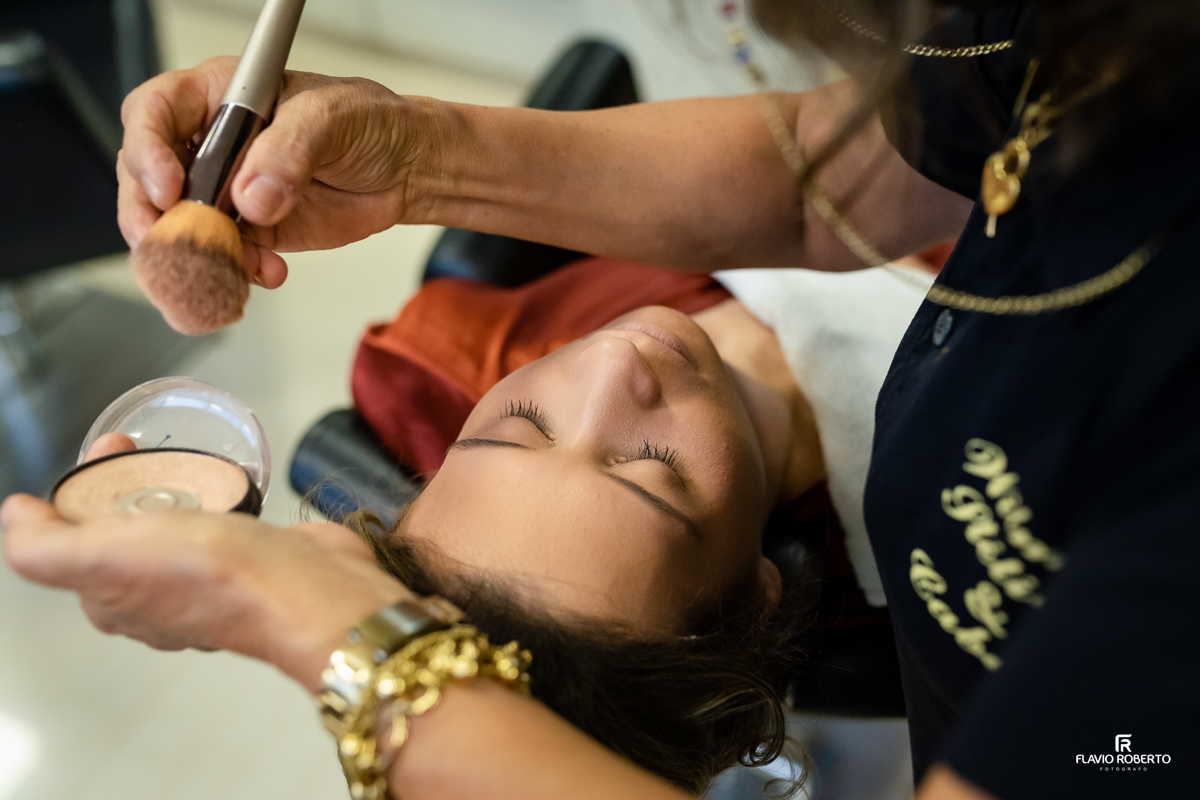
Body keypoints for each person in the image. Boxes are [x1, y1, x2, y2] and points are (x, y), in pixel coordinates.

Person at [5, 1, 1199, 798]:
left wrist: (312, 625)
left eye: (516, 421)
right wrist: (418, 157)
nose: (618, 367)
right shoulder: (1084, 43)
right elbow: (825, 184)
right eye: (648, 473)